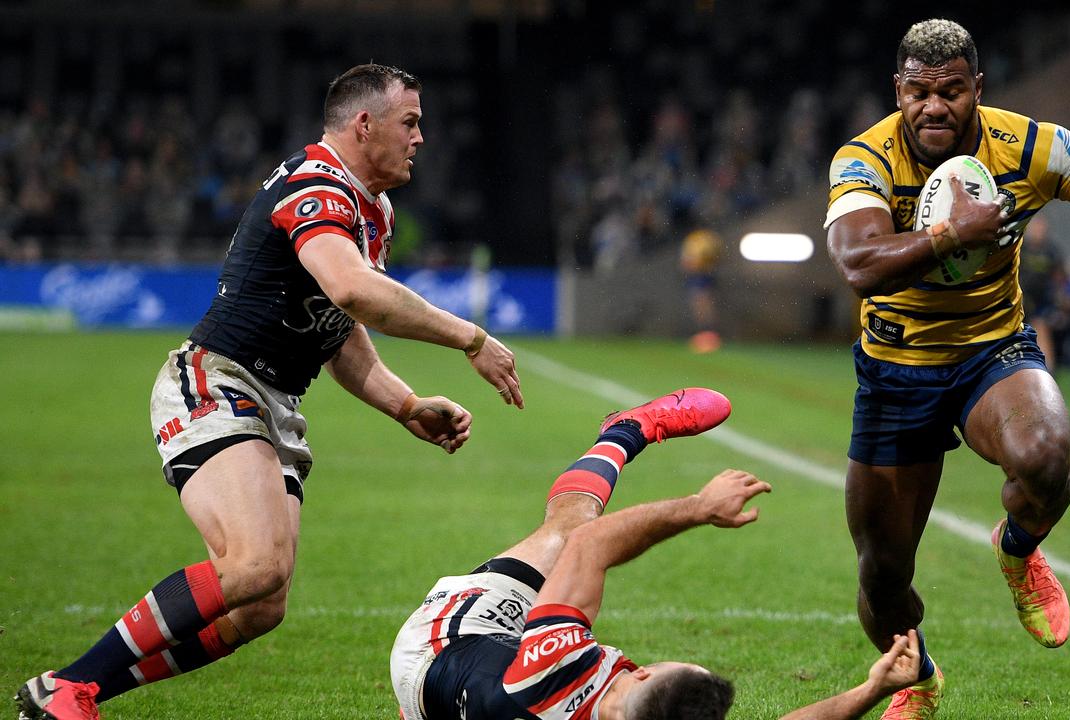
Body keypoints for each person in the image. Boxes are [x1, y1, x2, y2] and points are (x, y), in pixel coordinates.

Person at [15, 63, 524, 720]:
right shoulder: (315, 183)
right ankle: (70, 686)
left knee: (261, 605)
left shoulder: (375, 210)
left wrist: (404, 404)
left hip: (271, 402)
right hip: (218, 382)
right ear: (364, 124)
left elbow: (338, 332)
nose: (420, 138)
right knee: (254, 565)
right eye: (411, 122)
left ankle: (69, 693)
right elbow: (352, 290)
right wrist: (472, 339)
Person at [823, 20, 1070, 719]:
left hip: (992, 350)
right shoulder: (864, 159)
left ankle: (1018, 549)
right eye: (920, 92)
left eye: (952, 91)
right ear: (898, 89)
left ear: (977, 90)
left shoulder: (1029, 145)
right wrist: (953, 232)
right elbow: (856, 264)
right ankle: (918, 676)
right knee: (883, 577)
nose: (934, 107)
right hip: (896, 369)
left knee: (1045, 458)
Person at [391, 388, 923, 720]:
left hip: (442, 642)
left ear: (641, 676)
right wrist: (870, 689)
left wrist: (699, 507)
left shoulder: (553, 666)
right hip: (451, 698)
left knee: (568, 528)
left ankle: (626, 431)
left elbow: (590, 547)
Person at [1018, 216, 1066, 370]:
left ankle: (1047, 368)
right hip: (1021, 298)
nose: (1039, 231)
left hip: (1042, 299)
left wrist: (1060, 296)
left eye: (1041, 228)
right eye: (1035, 227)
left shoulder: (1050, 249)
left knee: (1042, 330)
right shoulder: (1021, 247)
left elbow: (1059, 274)